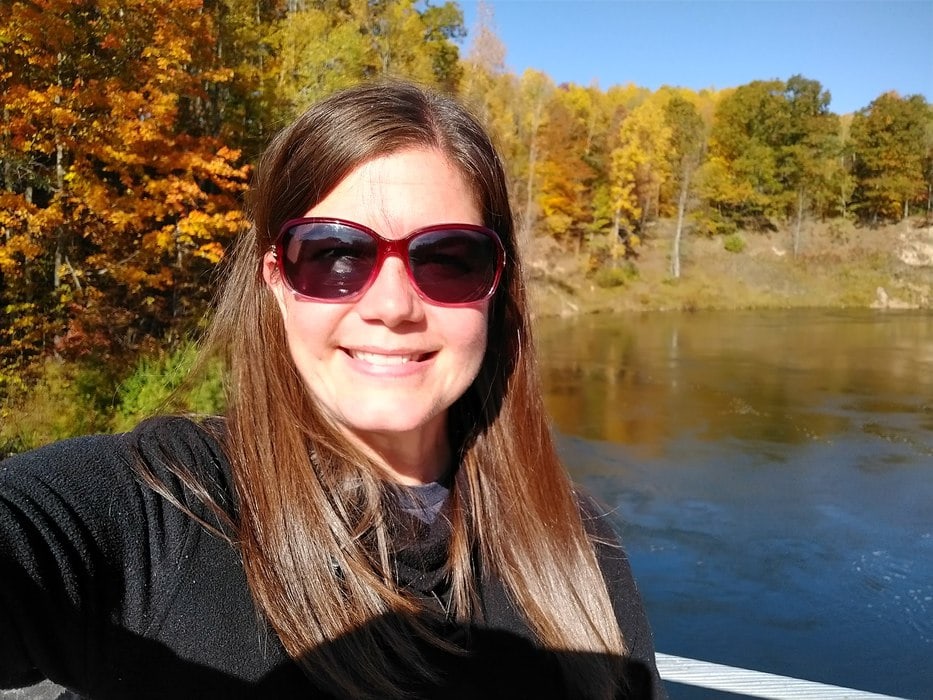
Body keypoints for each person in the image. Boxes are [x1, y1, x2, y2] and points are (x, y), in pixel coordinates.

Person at [0, 80, 665, 699]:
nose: (393, 306)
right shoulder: (166, 510)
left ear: (496, 285)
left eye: (447, 259)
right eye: (334, 255)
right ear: (276, 282)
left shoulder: (572, 542)